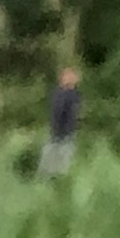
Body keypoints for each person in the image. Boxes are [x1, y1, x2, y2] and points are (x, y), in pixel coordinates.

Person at [38, 47, 83, 179]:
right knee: (52, 163)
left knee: (61, 164)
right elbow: (58, 113)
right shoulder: (62, 95)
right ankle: (49, 182)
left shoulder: (72, 94)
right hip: (60, 133)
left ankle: (56, 183)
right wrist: (59, 131)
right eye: (71, 76)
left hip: (66, 133)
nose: (75, 78)